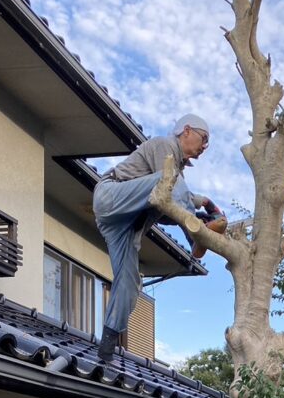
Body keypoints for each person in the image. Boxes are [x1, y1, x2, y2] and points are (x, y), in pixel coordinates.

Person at [92, 113, 227, 362]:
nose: (204, 148)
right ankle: (195, 237)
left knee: (130, 285)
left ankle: (107, 346)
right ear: (186, 130)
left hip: (124, 226)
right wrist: (206, 204)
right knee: (170, 179)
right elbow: (169, 185)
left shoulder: (176, 178)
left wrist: (198, 211)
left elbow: (165, 208)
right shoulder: (165, 148)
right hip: (111, 195)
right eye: (203, 139)